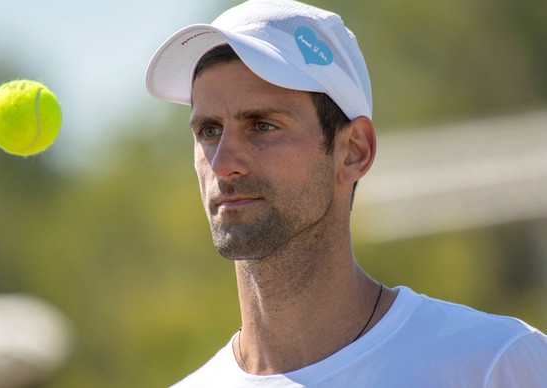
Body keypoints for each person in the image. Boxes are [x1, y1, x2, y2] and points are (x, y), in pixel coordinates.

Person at [145, 0, 547, 386]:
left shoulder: (496, 365)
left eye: (262, 126)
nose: (222, 163)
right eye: (209, 131)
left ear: (354, 151)